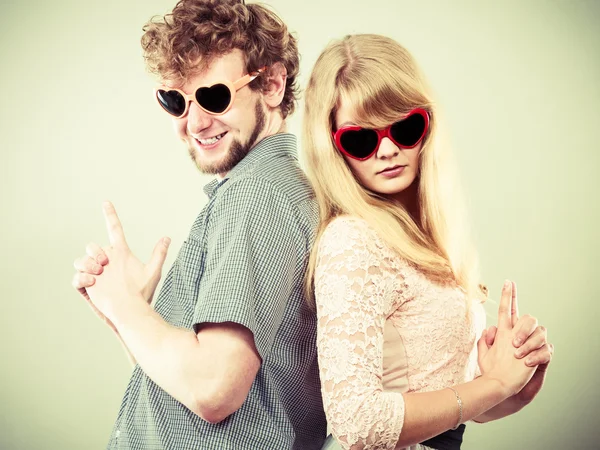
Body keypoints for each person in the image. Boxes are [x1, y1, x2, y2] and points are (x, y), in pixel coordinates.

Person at [70, 1, 327, 448]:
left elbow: (214, 389)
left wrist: (124, 308)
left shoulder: (258, 195)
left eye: (213, 96)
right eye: (176, 101)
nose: (195, 122)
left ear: (271, 83)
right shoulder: (266, 191)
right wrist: (138, 313)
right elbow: (191, 391)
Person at [301, 34, 554, 450]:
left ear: (427, 125)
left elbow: (445, 407)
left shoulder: (422, 236)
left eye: (404, 128)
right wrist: (492, 386)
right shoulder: (353, 240)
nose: (386, 150)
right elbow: (357, 422)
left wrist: (516, 379)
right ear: (333, 148)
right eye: (360, 139)